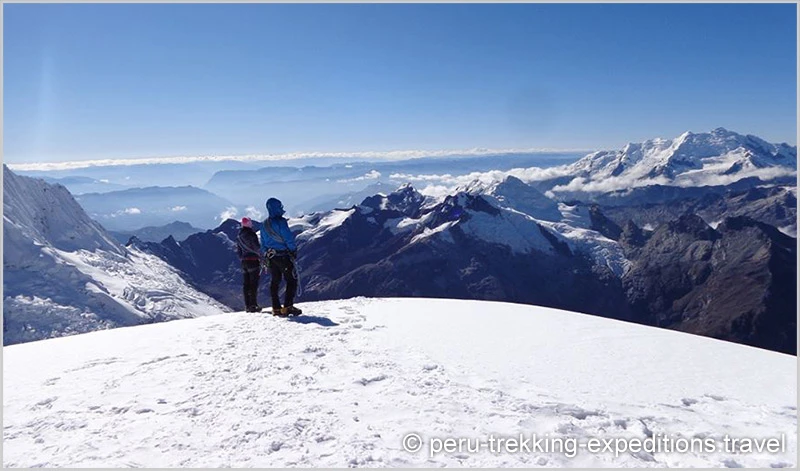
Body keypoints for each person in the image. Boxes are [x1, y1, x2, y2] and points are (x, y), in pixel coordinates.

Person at [251, 198, 302, 316]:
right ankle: (288, 306)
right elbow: (288, 238)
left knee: (275, 281)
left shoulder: (264, 224)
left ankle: (276, 308)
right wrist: (293, 250)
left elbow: (262, 243)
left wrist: (266, 254)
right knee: (291, 280)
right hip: (283, 255)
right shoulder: (281, 222)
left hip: (271, 257)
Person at [236, 217, 263, 313]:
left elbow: (239, 251)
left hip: (244, 262)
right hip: (253, 260)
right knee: (253, 284)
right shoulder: (252, 234)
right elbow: (256, 247)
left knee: (246, 284)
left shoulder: (239, 235)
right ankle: (253, 305)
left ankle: (247, 306)